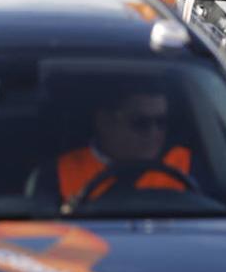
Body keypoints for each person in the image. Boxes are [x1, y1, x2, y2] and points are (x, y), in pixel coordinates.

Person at [30, 86, 193, 206]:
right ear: (105, 122)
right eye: (141, 123)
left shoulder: (185, 162)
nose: (154, 132)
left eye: (161, 122)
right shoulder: (59, 172)